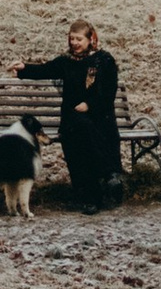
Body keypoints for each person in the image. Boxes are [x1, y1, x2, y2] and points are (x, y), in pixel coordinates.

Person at [18, 19, 124, 209]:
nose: (74, 43)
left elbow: (109, 91)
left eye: (79, 39)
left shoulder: (104, 60)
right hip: (71, 121)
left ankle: (96, 195)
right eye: (72, 38)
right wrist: (23, 68)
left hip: (98, 119)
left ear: (90, 39)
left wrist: (90, 105)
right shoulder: (66, 62)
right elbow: (45, 69)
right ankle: (96, 187)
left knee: (86, 136)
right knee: (76, 143)